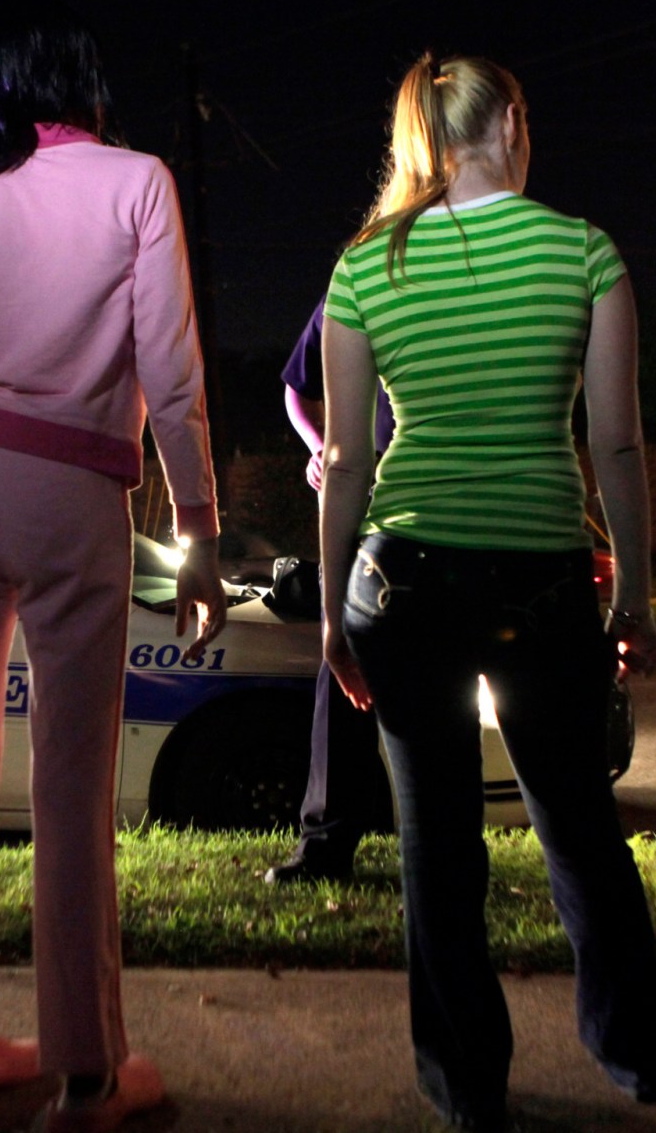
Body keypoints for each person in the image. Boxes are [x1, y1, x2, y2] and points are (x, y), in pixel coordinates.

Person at [0, 0, 226, 1133]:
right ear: (81, 75)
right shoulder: (136, 181)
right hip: (74, 492)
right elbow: (169, 369)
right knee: (71, 789)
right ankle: (84, 1070)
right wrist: (201, 528)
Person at [319, 53, 656, 1130]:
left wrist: (339, 608)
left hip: (401, 574)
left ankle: (466, 1081)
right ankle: (638, 1051)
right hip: (542, 573)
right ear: (511, 121)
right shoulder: (582, 251)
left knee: (435, 840)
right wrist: (637, 599)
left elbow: (343, 457)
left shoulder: (363, 265)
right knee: (576, 820)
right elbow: (614, 440)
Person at [265, 297, 394, 884]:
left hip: (441, 509)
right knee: (342, 680)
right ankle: (325, 848)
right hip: (363, 509)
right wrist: (319, 446)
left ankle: (443, 854)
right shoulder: (361, 277)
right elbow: (296, 387)